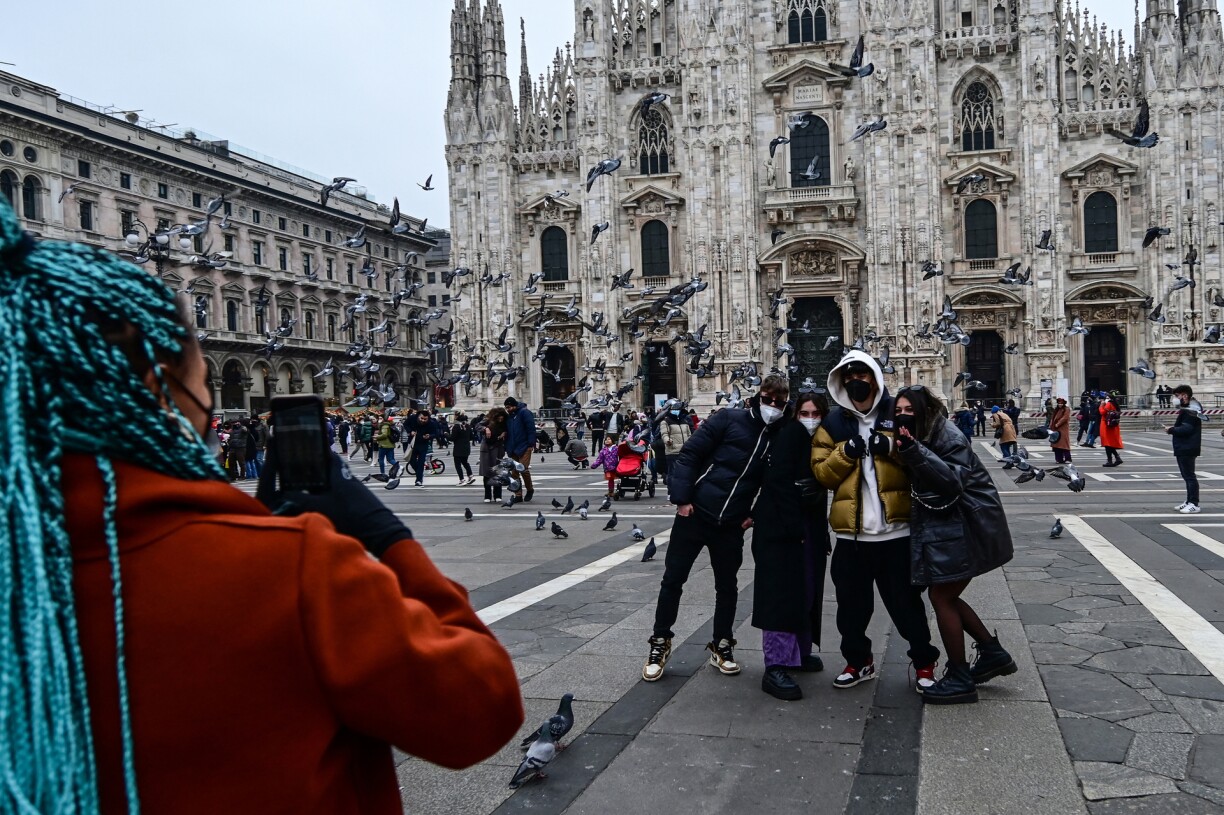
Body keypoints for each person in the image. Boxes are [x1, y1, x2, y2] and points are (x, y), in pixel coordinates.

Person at [0, 200, 523, 812]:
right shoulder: (283, 569)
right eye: (199, 370)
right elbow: (478, 711)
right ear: (161, 386)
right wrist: (386, 540)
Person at [643, 376, 789, 683]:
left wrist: (752, 515)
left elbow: (773, 484)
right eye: (768, 399)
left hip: (730, 523)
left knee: (727, 587)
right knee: (672, 581)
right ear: (756, 397)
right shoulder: (728, 419)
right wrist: (682, 499)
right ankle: (659, 643)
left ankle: (722, 645)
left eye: (779, 402)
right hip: (695, 513)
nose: (773, 407)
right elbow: (690, 454)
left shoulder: (779, 435)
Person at [811, 353, 940, 692]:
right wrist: (846, 453)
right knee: (850, 610)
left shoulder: (898, 412)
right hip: (852, 537)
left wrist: (891, 447)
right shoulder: (833, 424)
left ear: (876, 378)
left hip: (896, 533)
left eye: (863, 375)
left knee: (907, 607)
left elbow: (925, 452)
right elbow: (822, 473)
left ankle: (924, 662)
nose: (856, 381)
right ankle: (858, 661)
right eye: (850, 376)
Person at [892, 386, 1016, 704]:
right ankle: (991, 652)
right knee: (946, 594)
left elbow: (950, 481)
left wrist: (913, 452)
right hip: (957, 524)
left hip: (969, 524)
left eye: (909, 409)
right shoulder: (926, 431)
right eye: (898, 409)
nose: (902, 414)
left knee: (941, 596)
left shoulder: (946, 434)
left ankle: (960, 677)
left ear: (923, 409)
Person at [749, 391, 831, 701]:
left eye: (816, 412)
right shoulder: (788, 434)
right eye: (804, 412)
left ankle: (797, 653)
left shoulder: (818, 438)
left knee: (805, 589)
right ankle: (776, 667)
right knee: (780, 595)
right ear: (794, 414)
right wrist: (795, 526)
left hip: (803, 527)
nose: (810, 418)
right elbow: (779, 482)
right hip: (782, 529)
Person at [1167, 385, 1202, 513]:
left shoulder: (1191, 411)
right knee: (1187, 476)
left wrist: (1171, 430)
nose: (1175, 399)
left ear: (1184, 396)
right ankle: (1189, 501)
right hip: (1184, 446)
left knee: (1190, 476)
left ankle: (1194, 503)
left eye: (1177, 396)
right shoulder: (1187, 409)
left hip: (1188, 446)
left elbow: (1187, 429)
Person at [504, 397, 537, 503]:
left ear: (514, 405)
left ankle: (530, 489)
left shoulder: (524, 413)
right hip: (513, 447)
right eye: (506, 408)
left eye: (508, 407)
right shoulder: (509, 417)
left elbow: (530, 428)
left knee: (523, 469)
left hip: (525, 446)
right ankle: (518, 494)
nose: (507, 409)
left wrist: (531, 443)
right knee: (514, 472)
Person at [479, 408, 509, 503]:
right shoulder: (487, 420)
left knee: (498, 472)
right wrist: (486, 428)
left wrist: (505, 433)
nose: (501, 419)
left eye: (502, 418)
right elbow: (477, 425)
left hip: (498, 448)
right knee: (487, 473)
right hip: (487, 449)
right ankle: (487, 495)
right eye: (499, 418)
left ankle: (497, 495)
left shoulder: (504, 423)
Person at [659, 404, 693, 486]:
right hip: (672, 451)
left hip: (684, 451)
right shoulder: (665, 422)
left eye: (678, 409)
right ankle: (671, 492)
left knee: (684, 473)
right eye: (675, 409)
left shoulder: (684, 421)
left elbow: (689, 435)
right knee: (672, 473)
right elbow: (664, 434)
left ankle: (681, 491)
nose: (677, 411)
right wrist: (668, 441)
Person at [406, 410, 440, 487]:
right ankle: (419, 474)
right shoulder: (412, 418)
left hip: (423, 443)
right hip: (413, 442)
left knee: (421, 462)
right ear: (418, 416)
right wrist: (410, 431)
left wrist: (429, 436)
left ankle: (419, 480)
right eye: (421, 418)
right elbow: (406, 424)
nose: (423, 420)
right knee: (412, 461)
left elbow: (436, 433)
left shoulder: (431, 423)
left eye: (425, 419)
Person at [1099, 394, 1125, 467]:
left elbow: (1102, 412)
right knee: (1109, 444)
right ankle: (1115, 458)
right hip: (1113, 426)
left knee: (1107, 444)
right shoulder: (1115, 405)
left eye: (1107, 398)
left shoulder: (1109, 404)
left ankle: (1111, 460)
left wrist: (1101, 405)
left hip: (1106, 425)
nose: (1105, 399)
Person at [451, 412, 475, 485]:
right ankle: (470, 475)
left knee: (457, 464)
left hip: (458, 448)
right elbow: (471, 437)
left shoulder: (456, 427)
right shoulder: (468, 426)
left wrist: (446, 434)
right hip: (466, 448)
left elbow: (452, 438)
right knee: (465, 462)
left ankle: (462, 479)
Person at [1049, 396, 1072, 463]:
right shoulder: (1056, 410)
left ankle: (1067, 459)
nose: (1060, 404)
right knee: (1056, 444)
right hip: (1055, 429)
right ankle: (1059, 459)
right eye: (1059, 403)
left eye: (1061, 403)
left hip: (1062, 429)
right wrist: (1051, 425)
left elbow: (1065, 418)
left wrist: (1057, 424)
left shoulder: (1066, 409)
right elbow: (1053, 418)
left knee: (1064, 444)